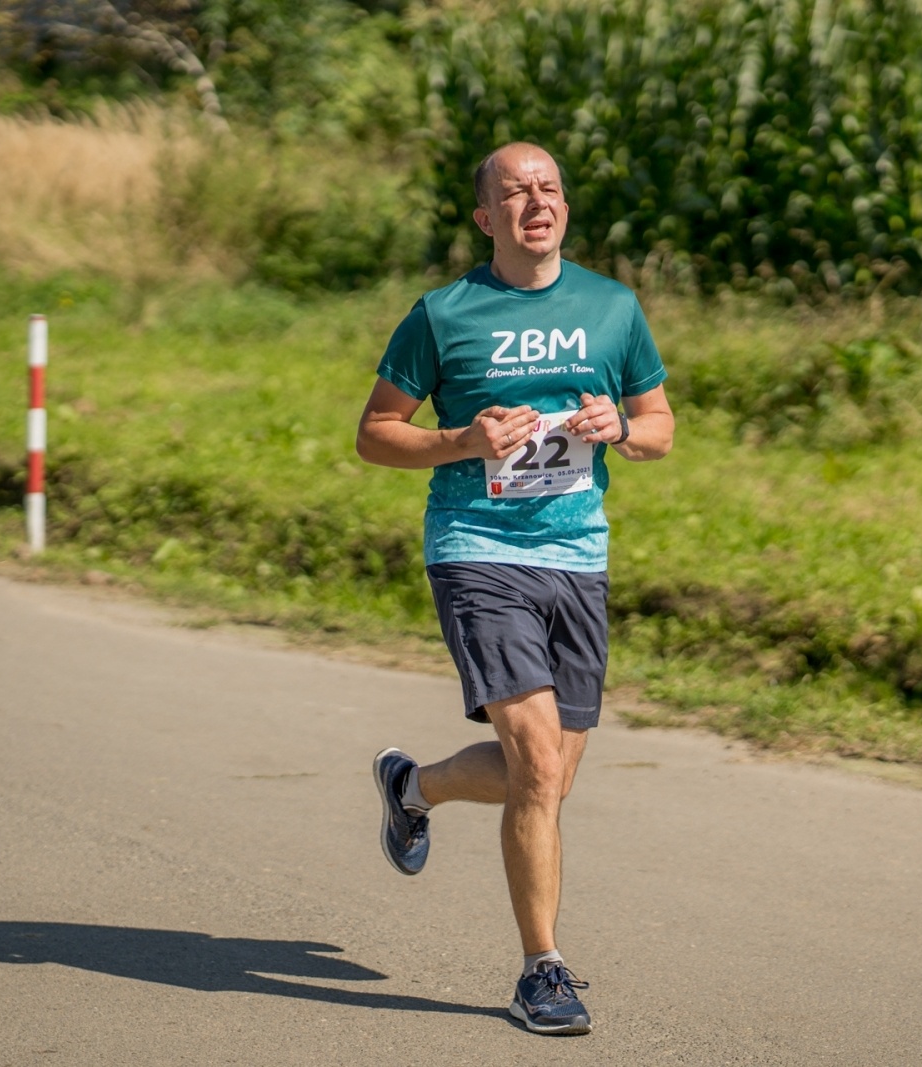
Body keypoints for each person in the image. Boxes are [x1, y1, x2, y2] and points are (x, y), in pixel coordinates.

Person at [355, 141, 674, 1036]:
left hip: (577, 555)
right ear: (485, 218)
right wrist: (464, 440)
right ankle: (544, 968)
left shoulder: (613, 308)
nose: (537, 201)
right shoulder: (445, 313)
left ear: (565, 208)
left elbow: (660, 426)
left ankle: (413, 787)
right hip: (476, 545)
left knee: (550, 777)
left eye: (551, 188)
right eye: (515, 191)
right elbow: (377, 432)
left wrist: (622, 427)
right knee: (536, 763)